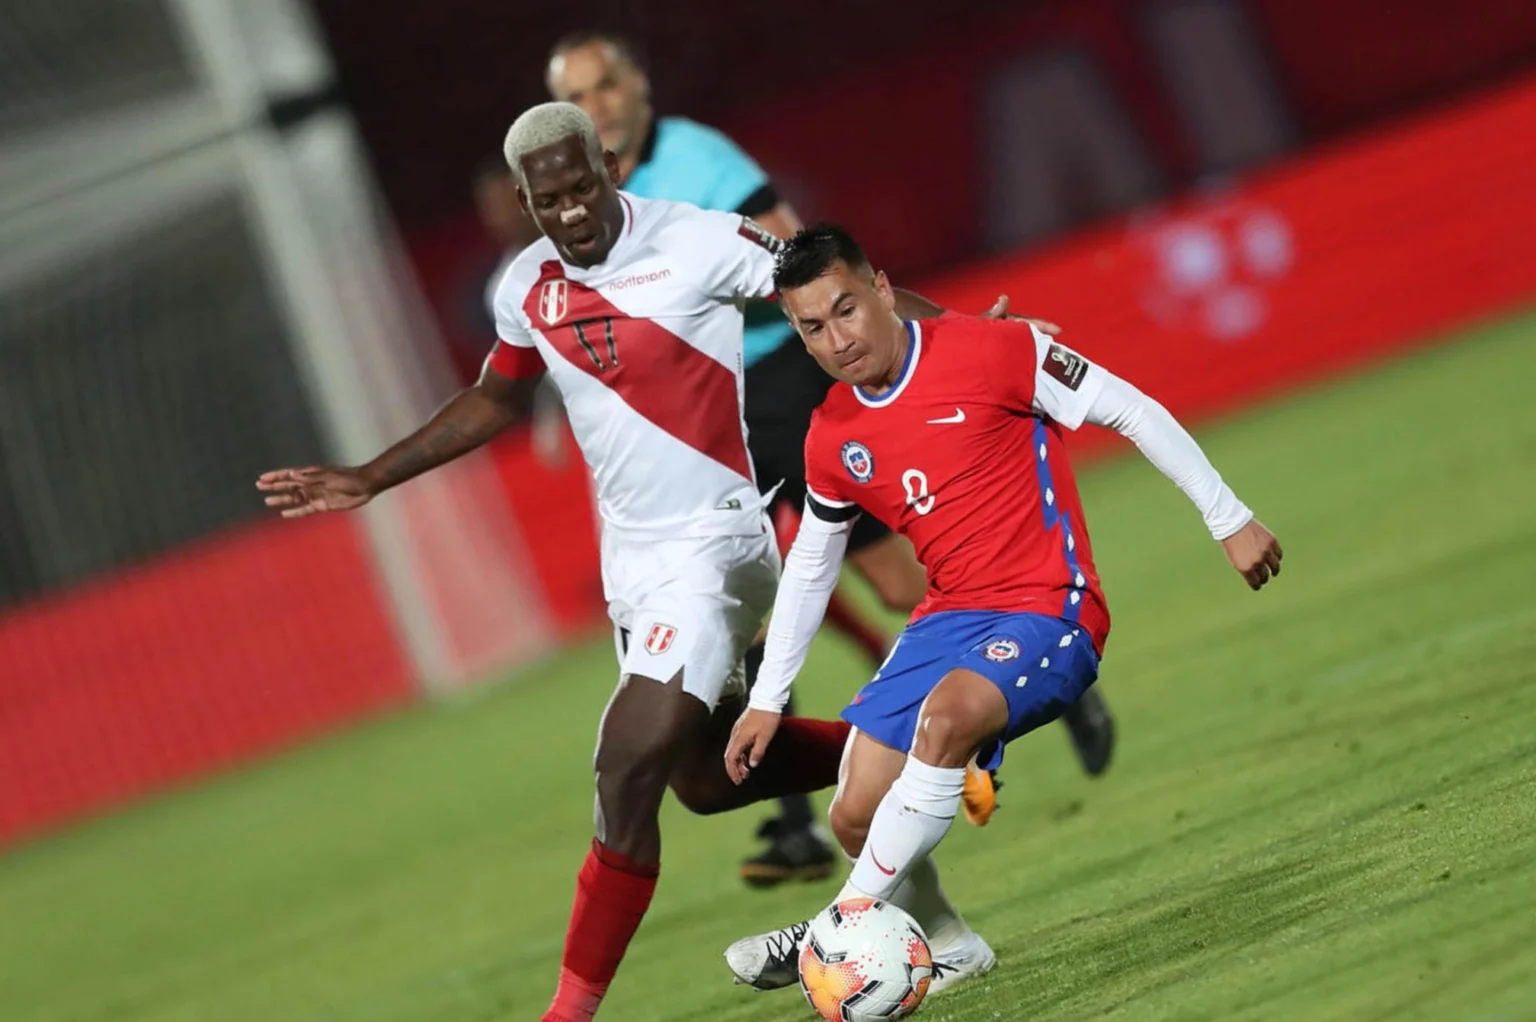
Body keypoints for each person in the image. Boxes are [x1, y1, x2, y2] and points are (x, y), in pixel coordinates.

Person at [256, 105, 993, 1022]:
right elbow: (495, 399)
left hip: (720, 545)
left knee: (623, 761)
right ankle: (917, 761)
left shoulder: (695, 241)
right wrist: (371, 476)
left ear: (607, 165)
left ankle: (565, 1013)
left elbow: (829, 288)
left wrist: (965, 342)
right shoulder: (525, 286)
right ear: (525, 201)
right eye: (546, 200)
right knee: (708, 782)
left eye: (579, 187)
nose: (568, 213)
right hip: (636, 570)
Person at [546, 30, 1116, 883]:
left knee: (887, 585)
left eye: (605, 88)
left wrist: (956, 334)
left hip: (792, 389)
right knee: (748, 600)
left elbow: (804, 264)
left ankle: (1021, 650)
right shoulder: (593, 214)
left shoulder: (697, 161)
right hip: (715, 426)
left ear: (637, 89)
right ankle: (795, 821)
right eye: (578, 98)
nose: (597, 108)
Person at [720, 225, 1283, 996]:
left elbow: (1133, 410)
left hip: (1051, 611)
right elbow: (814, 566)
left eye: (846, 309)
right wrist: (765, 699)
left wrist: (1230, 519)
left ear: (882, 288)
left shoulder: (996, 350)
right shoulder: (832, 433)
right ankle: (952, 948)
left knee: (945, 721)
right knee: (854, 814)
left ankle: (830, 931)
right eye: (812, 327)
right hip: (946, 621)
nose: (837, 339)